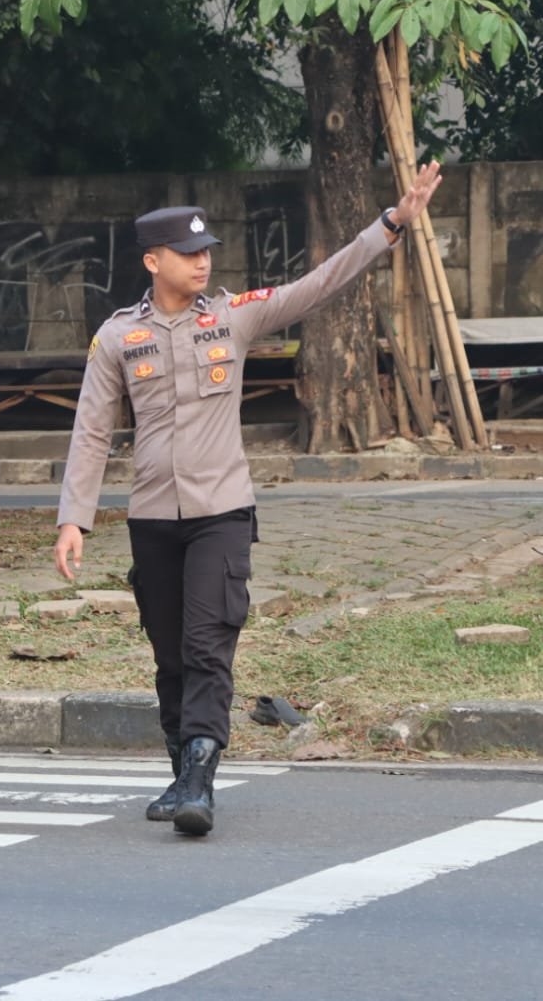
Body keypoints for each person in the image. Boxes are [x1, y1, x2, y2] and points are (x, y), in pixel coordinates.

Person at [53, 161, 445, 837]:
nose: (202, 263)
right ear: (153, 260)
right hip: (151, 517)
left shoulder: (232, 318)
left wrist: (389, 224)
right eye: (187, 254)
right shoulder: (118, 337)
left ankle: (201, 774)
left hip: (221, 513)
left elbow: (316, 284)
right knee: (170, 654)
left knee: (208, 645)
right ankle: (181, 766)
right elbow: (90, 432)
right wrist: (72, 521)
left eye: (206, 252)